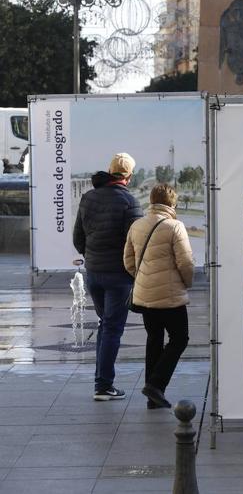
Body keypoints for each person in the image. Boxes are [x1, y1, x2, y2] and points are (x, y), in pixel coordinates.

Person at [73, 152, 142, 401]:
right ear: (129, 176)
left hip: (94, 274)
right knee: (112, 328)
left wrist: (90, 256)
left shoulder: (88, 198)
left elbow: (77, 238)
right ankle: (103, 386)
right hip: (119, 276)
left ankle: (102, 381)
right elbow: (136, 242)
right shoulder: (129, 202)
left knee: (106, 325)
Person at [124, 183, 194, 409]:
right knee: (180, 338)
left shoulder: (137, 225)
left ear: (152, 201)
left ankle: (152, 398)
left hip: (145, 297)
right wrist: (187, 283)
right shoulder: (175, 226)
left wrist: (143, 278)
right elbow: (185, 262)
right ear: (172, 202)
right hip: (171, 296)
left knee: (154, 340)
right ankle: (156, 384)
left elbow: (128, 261)